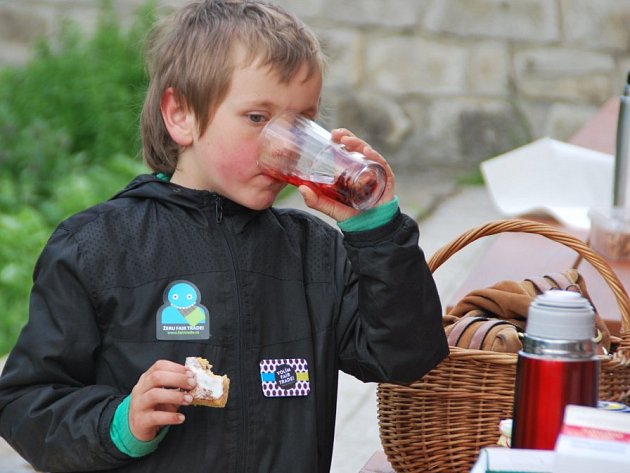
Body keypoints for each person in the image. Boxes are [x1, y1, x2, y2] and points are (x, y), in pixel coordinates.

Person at [0, 1, 448, 472]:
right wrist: (119, 424)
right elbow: (26, 403)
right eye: (258, 118)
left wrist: (376, 231)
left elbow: (406, 356)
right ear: (181, 115)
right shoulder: (98, 248)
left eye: (301, 124)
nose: (284, 145)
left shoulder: (315, 252)